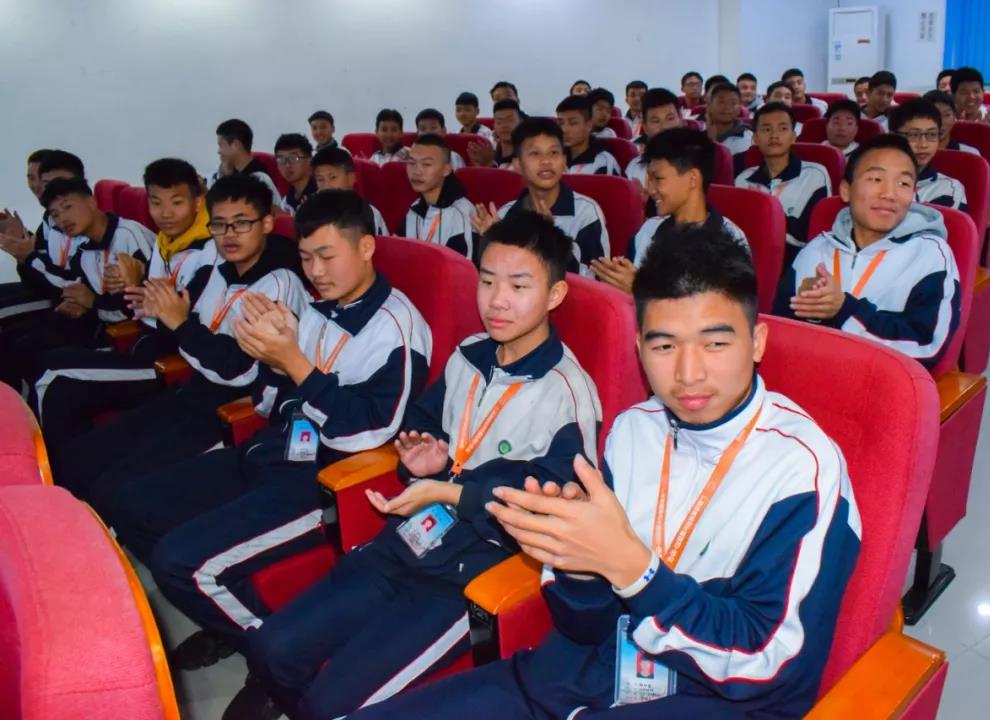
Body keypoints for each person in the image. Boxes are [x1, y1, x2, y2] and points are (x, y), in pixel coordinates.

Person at [356, 225, 861, 720]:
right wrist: (577, 565)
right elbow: (585, 625)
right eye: (664, 346)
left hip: (710, 700)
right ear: (639, 349)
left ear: (757, 341)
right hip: (575, 674)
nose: (688, 374)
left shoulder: (801, 467)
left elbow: (766, 662)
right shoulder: (633, 430)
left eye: (714, 345)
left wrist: (634, 571)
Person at [228, 211, 602, 720]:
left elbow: (553, 507)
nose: (497, 300)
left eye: (518, 286)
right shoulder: (469, 354)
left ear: (555, 295)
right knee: (272, 648)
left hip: (473, 570)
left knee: (330, 701)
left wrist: (452, 490)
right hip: (412, 535)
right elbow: (423, 426)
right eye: (487, 281)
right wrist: (422, 459)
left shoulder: (568, 396)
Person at [107, 189, 432, 679]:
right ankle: (228, 623)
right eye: (305, 257)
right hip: (278, 447)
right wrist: (270, 358)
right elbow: (271, 399)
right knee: (131, 504)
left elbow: (366, 430)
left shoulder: (398, 329)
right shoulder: (320, 306)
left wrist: (294, 363)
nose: (315, 272)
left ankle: (271, 661)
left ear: (366, 247)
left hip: (327, 477)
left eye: (327, 256)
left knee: (179, 562)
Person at [47, 174, 309, 516]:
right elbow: (172, 320)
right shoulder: (216, 271)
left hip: (229, 411)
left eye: (242, 223)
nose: (229, 234)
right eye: (220, 225)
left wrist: (181, 324)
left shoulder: (279, 284)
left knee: (113, 490)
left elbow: (238, 371)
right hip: (190, 392)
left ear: (267, 224)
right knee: (78, 459)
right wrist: (148, 300)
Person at [33, 158, 215, 448]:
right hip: (142, 345)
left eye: (177, 202)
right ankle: (62, 458)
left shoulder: (208, 253)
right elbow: (147, 308)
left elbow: (180, 324)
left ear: (198, 202)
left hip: (170, 365)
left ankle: (48, 466)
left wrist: (133, 287)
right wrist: (135, 286)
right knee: (52, 365)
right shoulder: (165, 243)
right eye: (156, 203)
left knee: (54, 378)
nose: (165, 213)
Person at [774, 134, 960, 369]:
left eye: (903, 184)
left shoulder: (930, 255)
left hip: (886, 383)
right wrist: (814, 314)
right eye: (875, 179)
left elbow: (927, 346)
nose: (889, 194)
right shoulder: (817, 250)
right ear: (846, 190)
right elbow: (779, 329)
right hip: (812, 375)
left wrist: (845, 310)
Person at [0, 177, 155, 392]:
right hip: (97, 321)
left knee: (41, 359)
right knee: (14, 341)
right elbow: (70, 285)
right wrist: (79, 302)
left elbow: (146, 304)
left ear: (92, 201)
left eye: (68, 207)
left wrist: (91, 303)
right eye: (55, 214)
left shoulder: (129, 236)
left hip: (126, 337)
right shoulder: (84, 250)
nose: (63, 218)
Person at [592, 127, 749, 293]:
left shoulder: (730, 239)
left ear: (692, 179)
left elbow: (724, 308)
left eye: (658, 178)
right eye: (648, 179)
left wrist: (640, 290)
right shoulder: (648, 231)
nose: (650, 190)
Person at [473, 118, 610, 278]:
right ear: (518, 165)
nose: (546, 161)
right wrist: (492, 242)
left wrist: (551, 238)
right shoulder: (504, 215)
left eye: (553, 153)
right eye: (535, 153)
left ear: (564, 161)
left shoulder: (585, 212)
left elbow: (597, 281)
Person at [735, 102, 831, 269]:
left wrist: (762, 215)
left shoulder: (815, 175)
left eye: (782, 128)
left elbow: (806, 233)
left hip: (797, 260)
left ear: (793, 136)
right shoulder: (743, 179)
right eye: (766, 129)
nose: (774, 135)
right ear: (755, 138)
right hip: (750, 258)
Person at [0, 149, 84, 320]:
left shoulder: (81, 223)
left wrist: (27, 256)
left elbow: (71, 284)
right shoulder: (50, 217)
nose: (38, 186)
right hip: (45, 288)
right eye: (31, 178)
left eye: (45, 181)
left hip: (62, 300)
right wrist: (20, 237)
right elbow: (39, 265)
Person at [402, 134, 476, 259]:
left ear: (446, 169)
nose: (417, 171)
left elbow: (463, 267)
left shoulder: (461, 213)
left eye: (426, 164)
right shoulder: (414, 209)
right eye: (411, 162)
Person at [889, 99, 968, 211]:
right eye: (914, 135)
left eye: (931, 134)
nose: (923, 144)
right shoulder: (874, 179)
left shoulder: (947, 188)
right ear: (893, 137)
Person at [310, 147, 390, 234]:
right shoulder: (309, 211)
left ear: (351, 178)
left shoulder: (369, 213)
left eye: (333, 177)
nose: (326, 186)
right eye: (320, 179)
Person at [212, 119, 284, 207]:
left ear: (235, 145)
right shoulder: (231, 174)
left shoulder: (259, 179)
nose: (219, 151)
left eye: (220, 145)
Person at [951, 66, 990, 174]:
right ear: (953, 95)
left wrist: (985, 136)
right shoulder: (946, 123)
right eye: (964, 92)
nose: (971, 97)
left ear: (983, 93)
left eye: (976, 91)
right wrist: (960, 131)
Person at [625, 88, 684, 190]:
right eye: (656, 121)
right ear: (645, 127)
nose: (664, 127)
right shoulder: (635, 168)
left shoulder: (698, 161)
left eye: (670, 118)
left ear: (680, 120)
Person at [556, 95, 622, 176]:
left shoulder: (603, 163)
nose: (564, 130)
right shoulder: (554, 157)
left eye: (573, 123)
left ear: (589, 125)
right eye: (561, 123)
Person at [467, 99, 522, 169]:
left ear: (521, 123)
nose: (504, 125)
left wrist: (489, 164)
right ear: (494, 126)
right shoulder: (488, 156)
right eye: (499, 122)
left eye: (510, 120)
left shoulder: (526, 158)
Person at [923, 90, 979, 156]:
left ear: (954, 117)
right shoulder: (913, 154)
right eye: (933, 115)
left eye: (947, 115)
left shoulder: (970, 154)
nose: (941, 123)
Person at [705, 81, 752, 156]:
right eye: (721, 102)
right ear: (709, 106)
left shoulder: (751, 138)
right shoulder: (697, 134)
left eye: (733, 103)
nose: (727, 107)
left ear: (739, 109)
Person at [275, 134, 317, 214]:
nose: (287, 165)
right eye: (281, 159)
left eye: (293, 158)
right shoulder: (285, 203)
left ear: (309, 159)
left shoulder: (321, 194)